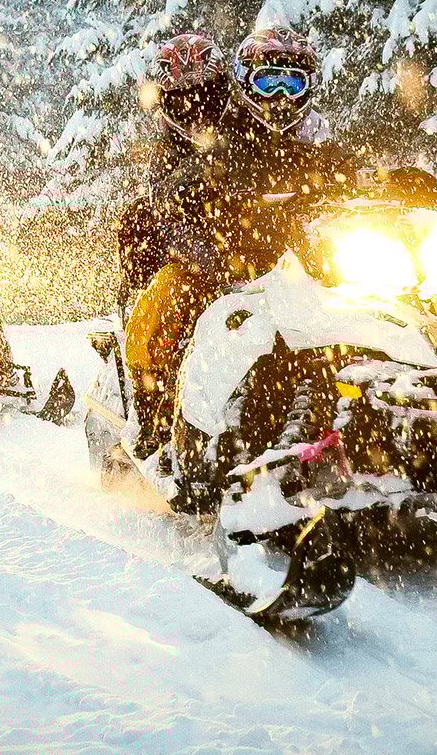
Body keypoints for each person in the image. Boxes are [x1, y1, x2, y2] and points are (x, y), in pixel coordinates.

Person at [124, 26, 355, 460]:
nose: (281, 95)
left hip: (288, 248)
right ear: (245, 81)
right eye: (270, 81)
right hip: (219, 245)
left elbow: (328, 159)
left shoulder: (308, 130)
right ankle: (156, 410)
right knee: (173, 296)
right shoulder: (230, 129)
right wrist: (199, 184)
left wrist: (382, 179)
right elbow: (201, 174)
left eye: (293, 82)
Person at [117, 33, 230, 296]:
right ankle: (140, 314)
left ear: (223, 90)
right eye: (183, 100)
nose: (197, 108)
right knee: (138, 220)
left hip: (257, 246)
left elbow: (285, 161)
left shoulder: (245, 128)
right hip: (197, 264)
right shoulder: (165, 149)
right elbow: (162, 205)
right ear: (166, 103)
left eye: (207, 95)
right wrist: (188, 185)